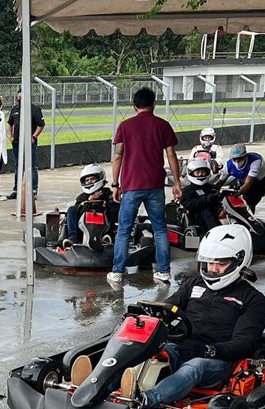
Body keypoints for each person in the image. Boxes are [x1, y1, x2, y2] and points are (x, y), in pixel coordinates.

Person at [119, 224, 265, 409]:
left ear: (239, 262)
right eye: (209, 263)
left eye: (221, 264)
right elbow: (166, 308)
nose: (213, 269)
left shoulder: (253, 300)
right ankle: (105, 385)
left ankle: (145, 400)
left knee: (194, 367)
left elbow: (245, 344)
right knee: (151, 352)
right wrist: (142, 317)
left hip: (216, 362)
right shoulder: (194, 284)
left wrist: (207, 350)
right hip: (181, 347)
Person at [107, 87, 181, 290]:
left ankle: (117, 272)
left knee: (124, 230)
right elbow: (171, 155)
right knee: (160, 230)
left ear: (134, 106)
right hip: (155, 186)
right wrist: (176, 182)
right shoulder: (162, 125)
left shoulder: (125, 126)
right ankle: (164, 272)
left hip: (131, 186)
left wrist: (115, 184)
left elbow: (118, 156)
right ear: (153, 104)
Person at [61, 163, 118, 247]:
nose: (89, 182)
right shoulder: (82, 197)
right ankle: (73, 238)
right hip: (83, 231)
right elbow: (78, 214)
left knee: (111, 208)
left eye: (92, 179)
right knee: (72, 209)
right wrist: (89, 201)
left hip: (105, 230)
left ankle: (107, 238)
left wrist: (108, 204)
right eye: (87, 180)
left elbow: (116, 214)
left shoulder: (108, 194)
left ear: (100, 178)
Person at [6, 90, 45, 200]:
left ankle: (33, 190)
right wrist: (10, 136)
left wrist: (34, 136)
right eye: (19, 97)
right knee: (18, 166)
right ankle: (16, 189)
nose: (20, 99)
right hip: (17, 143)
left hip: (29, 143)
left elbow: (41, 125)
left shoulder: (34, 109)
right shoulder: (15, 109)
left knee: (32, 166)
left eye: (22, 97)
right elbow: (9, 123)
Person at [219, 143, 265, 212]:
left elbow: (248, 183)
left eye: (240, 158)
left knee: (252, 200)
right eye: (234, 159)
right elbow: (220, 182)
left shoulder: (255, 161)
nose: (237, 162)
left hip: (258, 178)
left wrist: (237, 194)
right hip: (241, 176)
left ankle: (250, 213)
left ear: (245, 156)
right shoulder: (228, 165)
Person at [180, 158, 222, 236]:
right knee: (205, 211)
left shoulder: (211, 187)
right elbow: (188, 204)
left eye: (203, 172)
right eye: (197, 172)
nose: (200, 175)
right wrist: (207, 199)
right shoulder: (187, 190)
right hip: (196, 218)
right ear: (191, 173)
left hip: (214, 214)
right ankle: (217, 234)